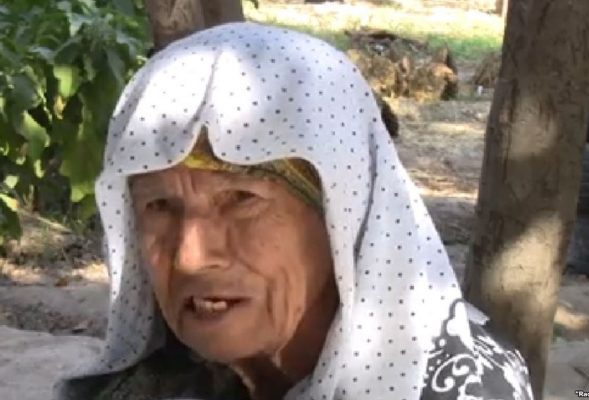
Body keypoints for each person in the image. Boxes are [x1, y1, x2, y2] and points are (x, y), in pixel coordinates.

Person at [55, 22, 533, 400]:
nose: (190, 258)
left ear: (341, 217)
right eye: (158, 205)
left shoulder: (460, 387)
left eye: (241, 199)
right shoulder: (158, 382)